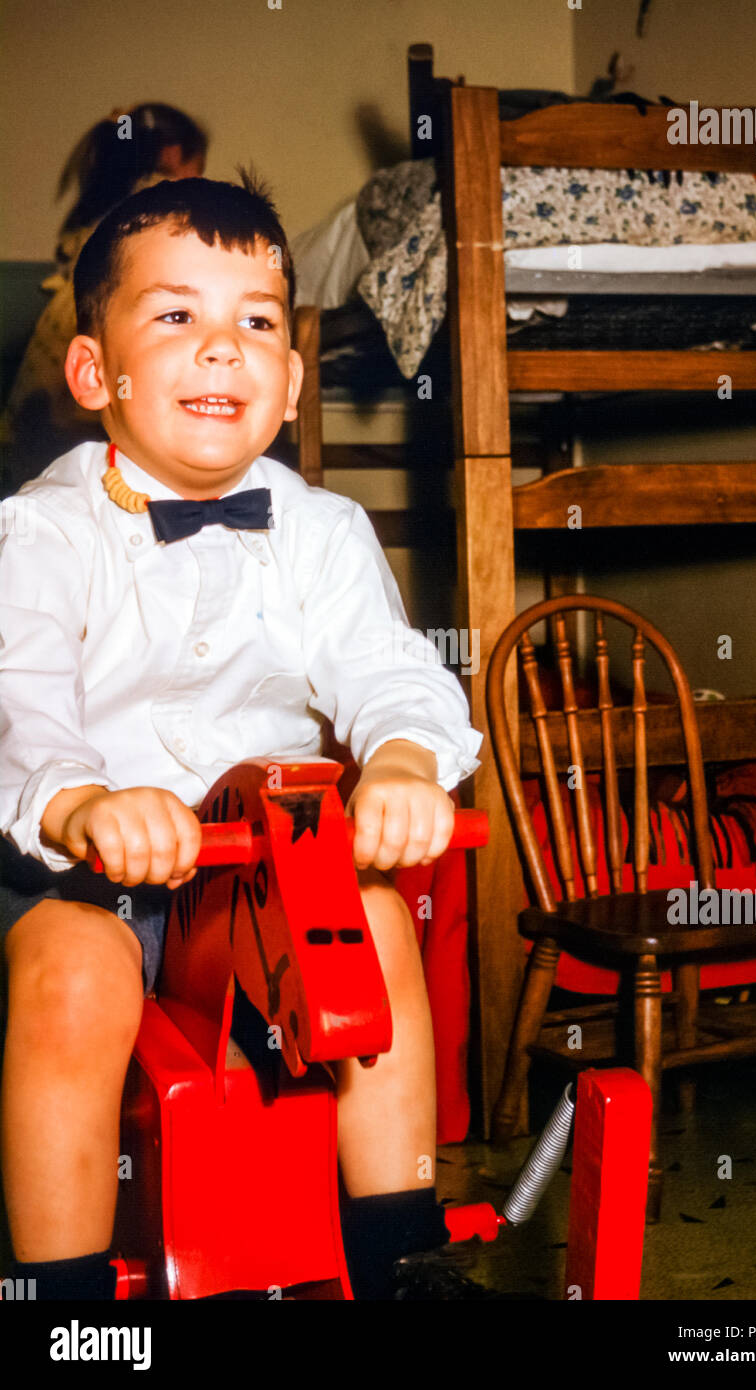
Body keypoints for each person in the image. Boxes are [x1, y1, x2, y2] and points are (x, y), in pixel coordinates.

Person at [0, 171, 495, 1301]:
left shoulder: (322, 530)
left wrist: (409, 760)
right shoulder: (38, 530)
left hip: (259, 864)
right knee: (73, 978)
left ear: (290, 381)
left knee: (370, 914)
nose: (222, 348)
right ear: (96, 373)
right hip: (82, 867)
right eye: (176, 316)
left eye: (257, 323)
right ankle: (64, 1297)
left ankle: (397, 1243)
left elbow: (384, 668)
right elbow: (18, 702)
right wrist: (81, 801)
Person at [1, 104, 207, 477]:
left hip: (53, 380)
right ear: (174, 154)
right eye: (198, 167)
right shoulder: (159, 209)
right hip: (102, 334)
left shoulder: (101, 205)